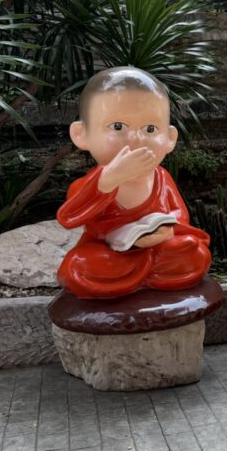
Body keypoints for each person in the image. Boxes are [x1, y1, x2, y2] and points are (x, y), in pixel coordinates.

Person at [56, 67, 211, 298]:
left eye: (150, 129)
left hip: (158, 247)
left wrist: (164, 231)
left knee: (195, 253)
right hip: (109, 252)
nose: (136, 139)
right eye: (117, 127)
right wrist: (110, 180)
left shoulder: (161, 177)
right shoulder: (93, 182)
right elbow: (69, 217)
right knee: (77, 266)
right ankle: (145, 271)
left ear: (170, 139)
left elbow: (179, 215)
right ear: (81, 134)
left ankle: (143, 270)